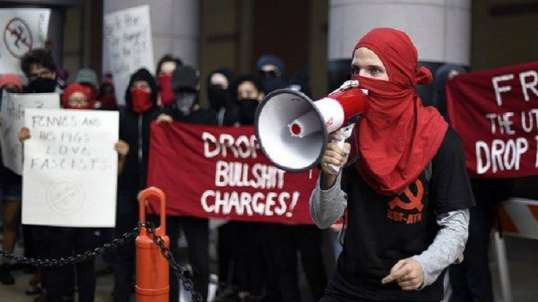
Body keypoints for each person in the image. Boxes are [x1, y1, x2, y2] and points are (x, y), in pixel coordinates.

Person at [310, 27, 474, 302]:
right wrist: (329, 176)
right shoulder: (349, 129)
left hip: (412, 291)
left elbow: (456, 224)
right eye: (356, 70)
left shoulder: (439, 139)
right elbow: (323, 218)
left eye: (374, 71)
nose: (363, 80)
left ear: (399, 76)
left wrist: (425, 266)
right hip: (348, 286)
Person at [18, 83, 129, 302]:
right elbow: (33, 166)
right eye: (73, 100)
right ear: (65, 103)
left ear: (88, 103)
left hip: (86, 214)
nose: (77, 104)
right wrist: (26, 144)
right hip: (58, 211)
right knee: (58, 261)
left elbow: (112, 175)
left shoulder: (101, 133)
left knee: (86, 264)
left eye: (81, 100)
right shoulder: (50, 130)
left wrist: (122, 156)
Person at [157, 65, 215, 302]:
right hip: (170, 197)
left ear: (197, 89)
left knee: (200, 260)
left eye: (188, 91)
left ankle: (198, 298)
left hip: (196, 197)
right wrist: (161, 125)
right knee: (168, 258)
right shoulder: (165, 116)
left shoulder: (207, 117)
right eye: (180, 91)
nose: (184, 96)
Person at [113, 68, 160, 302]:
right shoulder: (120, 117)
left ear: (153, 91)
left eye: (144, 87)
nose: (138, 91)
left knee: (152, 248)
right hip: (125, 190)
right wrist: (118, 152)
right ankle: (121, 293)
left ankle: (149, 290)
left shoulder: (160, 118)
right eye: (134, 87)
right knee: (123, 247)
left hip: (153, 194)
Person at [0, 74, 24, 285]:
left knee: (10, 223)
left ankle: (4, 265)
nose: (9, 92)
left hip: (15, 176)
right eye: (5, 88)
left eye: (14, 88)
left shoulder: (25, 112)